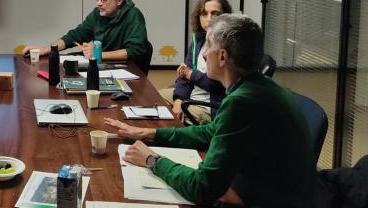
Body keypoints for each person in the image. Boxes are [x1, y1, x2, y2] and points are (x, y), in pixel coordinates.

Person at [104, 14, 320, 207]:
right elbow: (211, 131)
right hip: (276, 188)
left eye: (207, 45)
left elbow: (203, 189)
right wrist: (149, 133)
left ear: (223, 56)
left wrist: (152, 160)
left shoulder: (242, 102)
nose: (204, 54)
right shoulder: (257, 85)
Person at [23, 0, 148, 63]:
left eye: (104, 0)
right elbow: (75, 36)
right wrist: (47, 49)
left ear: (119, 1)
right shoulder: (97, 14)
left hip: (126, 69)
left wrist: (98, 54)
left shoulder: (133, 15)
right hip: (102, 65)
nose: (98, 3)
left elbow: (135, 50)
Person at [159, 0, 231, 123]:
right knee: (155, 98)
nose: (209, 19)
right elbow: (183, 77)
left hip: (208, 107)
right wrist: (178, 102)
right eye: (204, 14)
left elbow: (220, 85)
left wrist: (191, 74)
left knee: (165, 121)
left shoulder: (228, 45)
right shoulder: (197, 40)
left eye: (215, 14)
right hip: (190, 97)